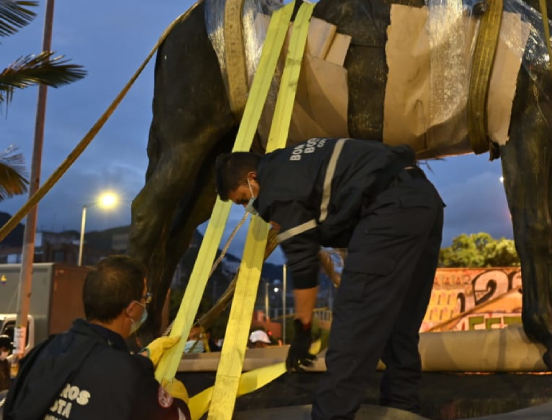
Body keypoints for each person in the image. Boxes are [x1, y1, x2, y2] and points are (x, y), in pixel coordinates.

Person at [216, 138, 444, 420]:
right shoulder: (293, 162)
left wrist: (303, 330)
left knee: (353, 324)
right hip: (422, 200)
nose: (248, 208)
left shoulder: (275, 189)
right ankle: (403, 411)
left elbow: (303, 264)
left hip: (388, 208)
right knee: (400, 326)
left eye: (243, 199)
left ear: (252, 178)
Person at [2, 255, 190, 420]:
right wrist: (176, 400)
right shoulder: (132, 377)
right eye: (144, 298)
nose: (145, 305)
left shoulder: (41, 351)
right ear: (132, 309)